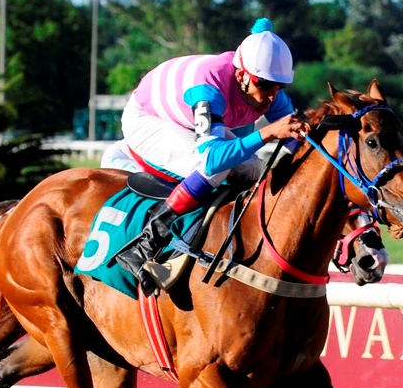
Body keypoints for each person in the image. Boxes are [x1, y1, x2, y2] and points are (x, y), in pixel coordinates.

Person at [112, 17, 310, 296]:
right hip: (148, 118)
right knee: (213, 168)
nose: (272, 95)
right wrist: (268, 133)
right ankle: (146, 242)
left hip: (189, 119)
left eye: (280, 86)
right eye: (265, 85)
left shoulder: (267, 89)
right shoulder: (209, 87)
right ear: (241, 76)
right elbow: (213, 159)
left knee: (254, 168)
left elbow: (296, 136)